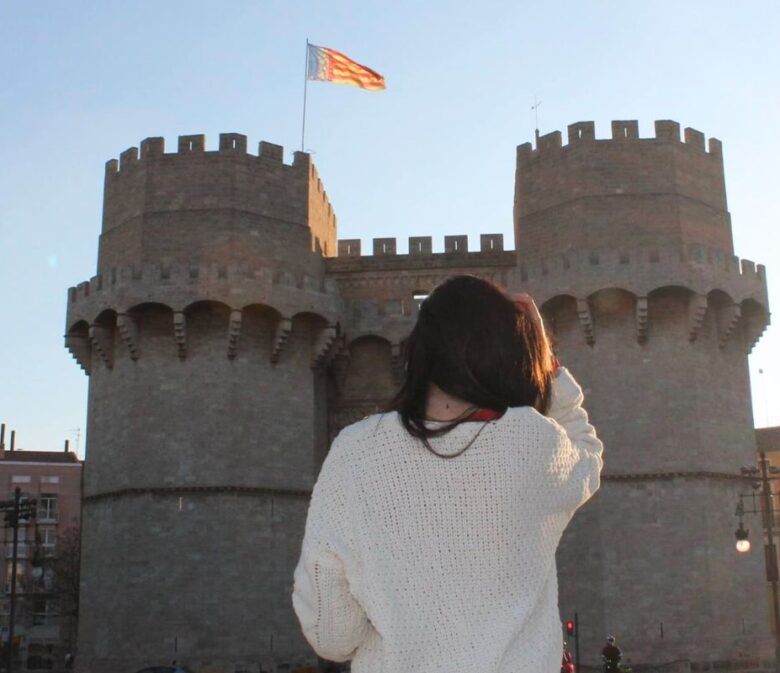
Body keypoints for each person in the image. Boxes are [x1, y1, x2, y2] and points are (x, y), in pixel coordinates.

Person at [292, 275, 603, 672]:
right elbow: (588, 454)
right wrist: (547, 361)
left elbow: (333, 636)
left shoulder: (355, 452)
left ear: (420, 350)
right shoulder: (534, 443)